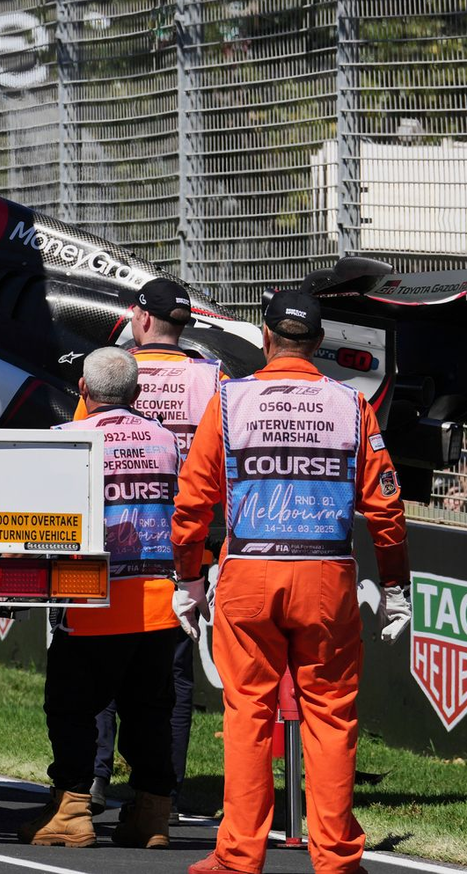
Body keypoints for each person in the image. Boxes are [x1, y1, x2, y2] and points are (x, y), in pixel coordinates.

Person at [171, 289, 411, 874]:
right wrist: (397, 588)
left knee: (247, 712)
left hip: (248, 571)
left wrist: (188, 579)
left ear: (264, 336)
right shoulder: (351, 404)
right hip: (326, 573)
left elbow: (192, 502)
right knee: (331, 715)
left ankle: (237, 856)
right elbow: (386, 508)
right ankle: (335, 859)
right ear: (321, 344)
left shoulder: (230, 401)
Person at [19, 347, 181, 849]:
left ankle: (71, 810)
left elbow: (38, 516)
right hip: (157, 598)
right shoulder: (167, 439)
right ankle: (152, 815)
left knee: (70, 706)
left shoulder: (67, 439)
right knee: (151, 710)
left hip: (88, 596)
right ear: (136, 393)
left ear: (83, 392)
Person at [77, 277, 223, 817]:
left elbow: (81, 452)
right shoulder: (211, 378)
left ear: (141, 319)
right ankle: (165, 790)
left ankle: (90, 779)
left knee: (96, 667)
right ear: (184, 325)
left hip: (104, 543)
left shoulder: (103, 371)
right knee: (171, 678)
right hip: (178, 548)